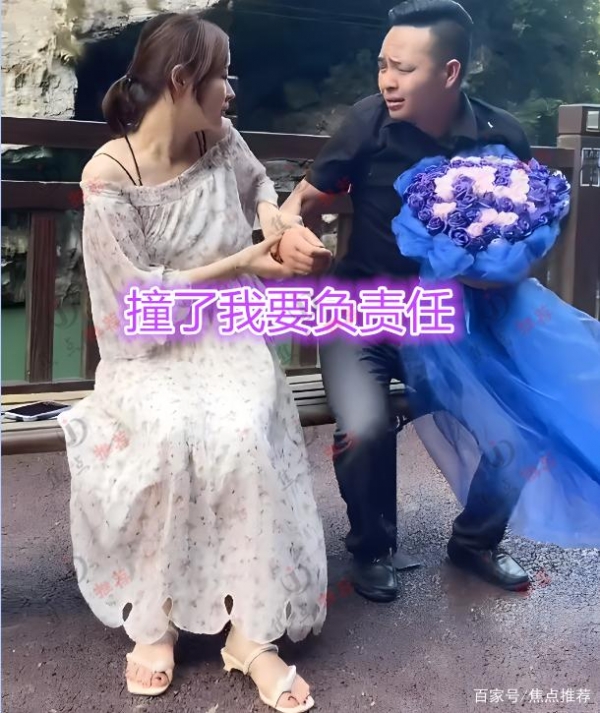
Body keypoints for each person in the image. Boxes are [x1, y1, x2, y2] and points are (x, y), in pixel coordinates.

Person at [58, 12, 332, 711]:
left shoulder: (220, 136)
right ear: (182, 80)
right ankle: (158, 619)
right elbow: (134, 305)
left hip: (228, 336)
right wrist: (241, 261)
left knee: (241, 434)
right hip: (150, 349)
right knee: (171, 435)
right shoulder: (107, 177)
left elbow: (258, 184)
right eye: (222, 76)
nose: (231, 91)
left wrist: (272, 220)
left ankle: (251, 632)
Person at [281, 0, 536, 603]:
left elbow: (527, 239)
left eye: (403, 69)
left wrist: (494, 272)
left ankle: (475, 541)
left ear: (449, 73)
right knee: (365, 427)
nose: (387, 81)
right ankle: (372, 548)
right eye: (382, 65)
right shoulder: (367, 123)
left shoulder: (501, 136)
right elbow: (302, 201)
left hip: (452, 323)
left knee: (520, 424)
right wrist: (290, 230)